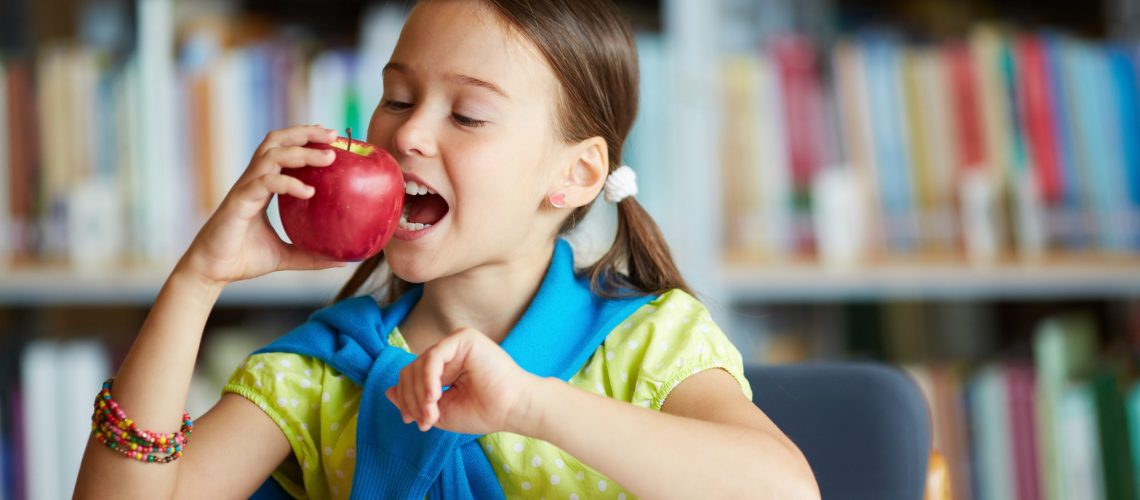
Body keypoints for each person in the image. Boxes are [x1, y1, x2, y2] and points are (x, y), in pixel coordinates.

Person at [74, 0, 819, 498]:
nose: (408, 134)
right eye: (397, 97)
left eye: (466, 114)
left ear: (575, 173)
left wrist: (530, 405)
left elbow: (785, 489)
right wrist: (197, 279)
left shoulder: (650, 344)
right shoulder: (319, 372)